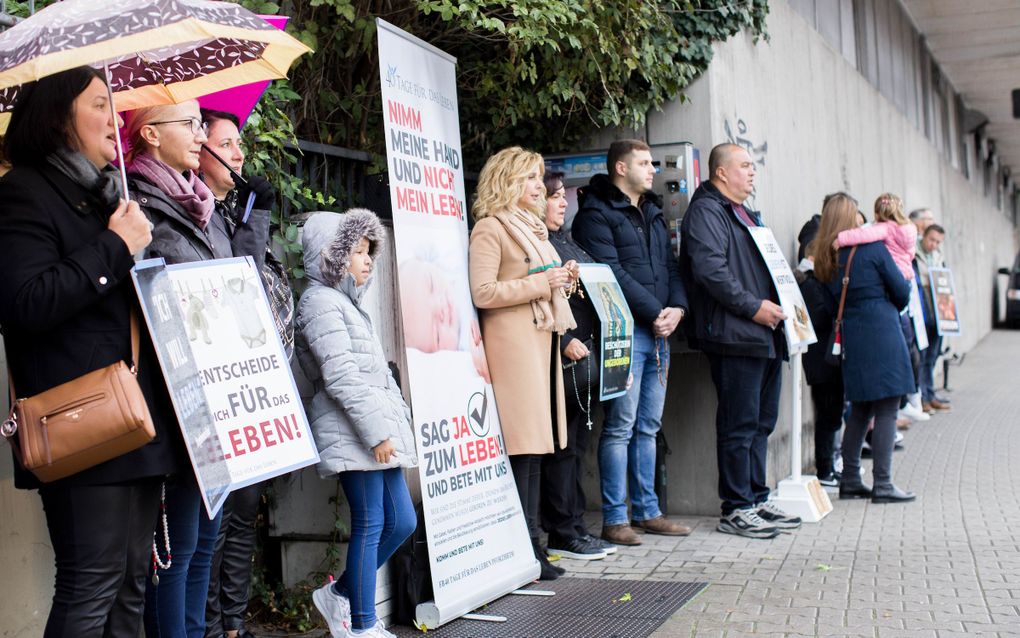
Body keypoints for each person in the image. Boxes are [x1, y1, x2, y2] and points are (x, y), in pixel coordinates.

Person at [0, 66, 185, 637]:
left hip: (136, 412)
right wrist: (114, 246)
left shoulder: (107, 195)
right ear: (59, 117)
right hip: (82, 418)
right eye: (101, 105)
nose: (116, 119)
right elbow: (25, 304)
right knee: (91, 583)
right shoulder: (22, 193)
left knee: (132, 585)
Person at [124, 99, 267, 638]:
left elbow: (241, 277)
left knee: (205, 542)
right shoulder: (142, 204)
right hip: (179, 394)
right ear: (151, 135)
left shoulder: (199, 202)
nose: (200, 133)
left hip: (219, 391)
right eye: (189, 124)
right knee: (179, 549)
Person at [297, 210, 418, 638]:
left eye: (370, 252)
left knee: (402, 521)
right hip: (354, 433)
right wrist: (378, 433)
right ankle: (365, 626)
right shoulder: (318, 302)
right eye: (358, 251)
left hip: (372, 431)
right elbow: (341, 376)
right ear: (333, 255)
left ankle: (339, 594)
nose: (368, 260)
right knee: (369, 522)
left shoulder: (345, 302)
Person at [197, 109, 293, 638]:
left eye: (239, 144)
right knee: (218, 520)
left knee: (244, 514)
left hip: (255, 385)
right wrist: (254, 214)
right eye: (226, 143)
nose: (238, 154)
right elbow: (241, 281)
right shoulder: (202, 213)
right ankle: (212, 625)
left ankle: (233, 623)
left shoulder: (228, 207)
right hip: (220, 387)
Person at [572, 139, 690, 546]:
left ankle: (648, 511)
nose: (653, 169)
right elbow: (610, 272)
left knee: (649, 426)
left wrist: (677, 308)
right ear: (620, 168)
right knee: (620, 426)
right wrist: (657, 312)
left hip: (660, 332)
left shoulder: (653, 212)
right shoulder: (596, 213)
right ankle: (615, 519)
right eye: (643, 162)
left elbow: (671, 266)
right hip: (625, 333)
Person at [678, 143, 799, 539]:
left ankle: (756, 498)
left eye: (752, 166)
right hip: (736, 335)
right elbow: (711, 271)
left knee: (761, 422)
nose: (752, 172)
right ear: (720, 173)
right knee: (738, 423)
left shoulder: (744, 213)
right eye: (745, 166)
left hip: (763, 334)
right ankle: (736, 507)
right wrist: (752, 308)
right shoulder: (707, 212)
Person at [469, 147, 576, 578]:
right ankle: (524, 546)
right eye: (530, 178)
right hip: (512, 348)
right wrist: (540, 282)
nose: (538, 186)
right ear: (508, 181)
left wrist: (562, 278)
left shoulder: (533, 229)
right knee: (521, 449)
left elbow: (540, 282)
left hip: (538, 343)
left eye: (538, 178)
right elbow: (484, 292)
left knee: (534, 450)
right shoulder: (491, 228)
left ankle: (532, 546)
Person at [813, 194, 916, 504]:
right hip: (882, 332)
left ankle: (850, 480)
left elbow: (831, 303)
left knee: (860, 409)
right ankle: (883, 483)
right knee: (887, 406)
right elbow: (901, 292)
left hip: (853, 336)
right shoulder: (873, 249)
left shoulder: (826, 256)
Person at [538, 171, 615, 561]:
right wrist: (564, 341)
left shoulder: (567, 239)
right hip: (561, 361)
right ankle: (563, 530)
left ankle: (575, 526)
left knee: (575, 447)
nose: (563, 201)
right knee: (561, 449)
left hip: (586, 360)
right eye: (553, 196)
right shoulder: (540, 244)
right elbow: (538, 304)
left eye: (562, 195)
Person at [834, 193, 916, 280]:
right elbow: (911, 252)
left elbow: (862, 234)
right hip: (907, 273)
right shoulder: (908, 229)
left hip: (893, 272)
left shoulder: (885, 228)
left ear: (877, 214)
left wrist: (841, 239)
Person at [914, 223, 951, 413]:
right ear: (924, 236)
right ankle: (921, 397)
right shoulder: (914, 253)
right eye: (932, 240)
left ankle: (929, 393)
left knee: (933, 356)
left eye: (938, 242)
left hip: (939, 312)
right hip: (922, 310)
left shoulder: (938, 257)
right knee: (921, 356)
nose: (934, 245)